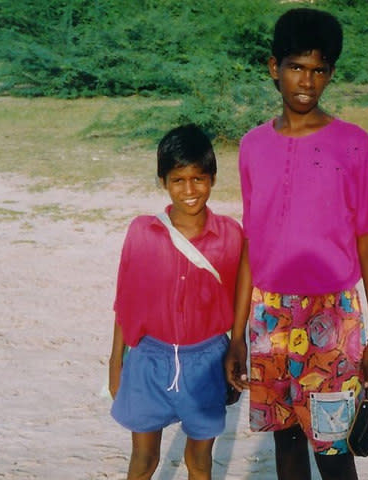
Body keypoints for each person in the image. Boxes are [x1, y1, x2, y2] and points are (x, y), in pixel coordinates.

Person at [225, 8, 368, 480]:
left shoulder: (354, 143)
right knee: (287, 445)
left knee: (336, 453)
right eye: (296, 66)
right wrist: (237, 333)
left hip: (333, 318)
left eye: (319, 69)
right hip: (269, 316)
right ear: (273, 67)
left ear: (330, 74)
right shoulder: (252, 146)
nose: (307, 80)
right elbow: (249, 246)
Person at [109, 124, 244, 480]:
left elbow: (243, 296)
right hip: (149, 359)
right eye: (178, 179)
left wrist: (237, 346)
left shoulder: (232, 235)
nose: (189, 189)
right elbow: (125, 300)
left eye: (199, 178)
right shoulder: (142, 231)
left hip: (207, 361)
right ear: (163, 181)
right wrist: (115, 362)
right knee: (143, 458)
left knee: (199, 461)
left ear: (213, 178)